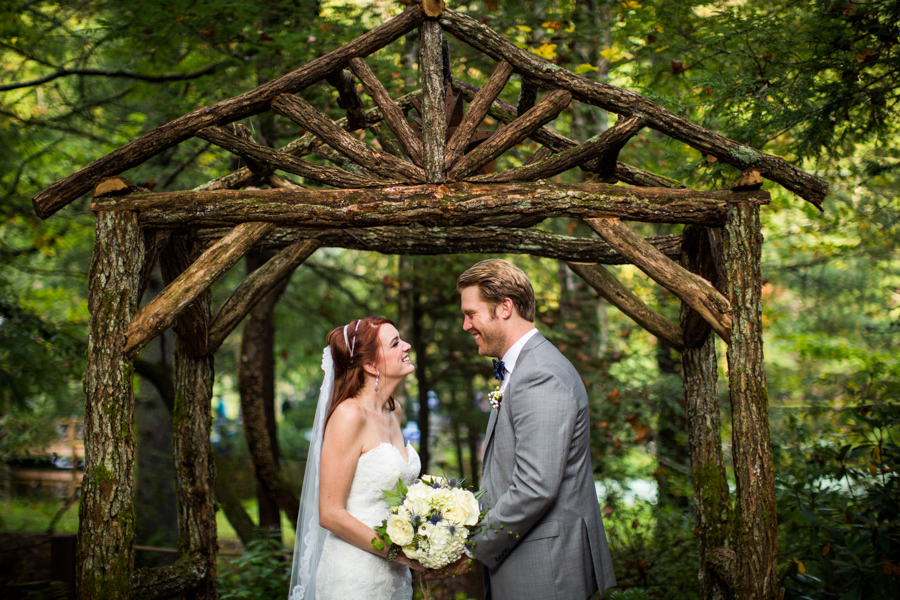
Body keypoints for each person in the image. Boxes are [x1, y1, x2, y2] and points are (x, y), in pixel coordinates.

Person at [453, 259, 616, 600]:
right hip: (531, 559)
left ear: (505, 307)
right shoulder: (526, 368)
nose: (465, 325)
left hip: (545, 568)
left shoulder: (539, 374)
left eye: (471, 314)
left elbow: (535, 487)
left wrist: (474, 547)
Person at [288, 317, 424, 600]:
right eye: (395, 343)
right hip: (355, 575)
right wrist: (399, 554)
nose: (407, 346)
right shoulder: (349, 416)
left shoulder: (394, 411)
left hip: (395, 575)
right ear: (371, 366)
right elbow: (330, 513)